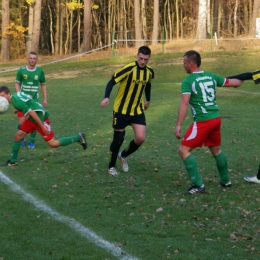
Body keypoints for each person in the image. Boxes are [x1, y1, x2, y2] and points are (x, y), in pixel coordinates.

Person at [174, 50, 243, 195]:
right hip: (216, 119)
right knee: (216, 149)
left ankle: (198, 185)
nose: (183, 65)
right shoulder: (211, 76)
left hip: (203, 121)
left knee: (183, 150)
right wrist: (248, 76)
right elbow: (236, 83)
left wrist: (179, 124)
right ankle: (226, 181)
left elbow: (185, 103)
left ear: (191, 64)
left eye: (184, 63)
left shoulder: (188, 81)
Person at [100, 46, 154, 176]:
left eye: (145, 59)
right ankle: (111, 167)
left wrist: (148, 100)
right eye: (141, 58)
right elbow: (111, 82)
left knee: (140, 138)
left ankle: (123, 155)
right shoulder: (129, 68)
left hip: (137, 110)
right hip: (121, 110)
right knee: (118, 139)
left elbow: (148, 85)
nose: (142, 61)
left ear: (148, 59)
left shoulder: (149, 72)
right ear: (137, 55)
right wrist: (106, 96)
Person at [0, 86, 87, 166]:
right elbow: (29, 98)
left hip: (40, 118)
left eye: (3, 95)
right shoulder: (16, 95)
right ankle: (13, 161)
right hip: (33, 118)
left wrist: (42, 126)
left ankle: (79, 137)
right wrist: (19, 109)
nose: (2, 98)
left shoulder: (16, 101)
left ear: (8, 94)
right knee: (18, 136)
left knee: (53, 144)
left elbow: (32, 112)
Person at [15, 51, 48, 149]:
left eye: (34, 58)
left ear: (37, 60)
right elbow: (17, 83)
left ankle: (32, 142)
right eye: (31, 58)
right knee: (21, 122)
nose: (32, 60)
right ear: (27, 59)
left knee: (34, 122)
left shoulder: (40, 72)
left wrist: (45, 99)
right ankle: (22, 138)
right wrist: (18, 94)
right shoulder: (21, 71)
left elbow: (43, 85)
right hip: (23, 101)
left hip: (34, 102)